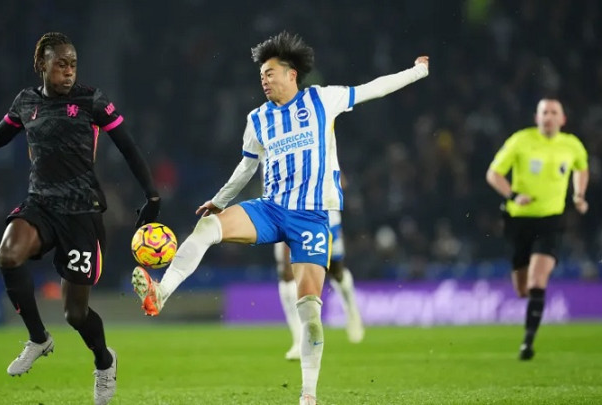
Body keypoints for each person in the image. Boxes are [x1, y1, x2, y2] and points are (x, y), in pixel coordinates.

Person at [131, 31, 427, 404]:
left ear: (291, 74)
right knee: (207, 227)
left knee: (311, 313)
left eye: (270, 73)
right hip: (271, 209)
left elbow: (374, 89)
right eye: (261, 75)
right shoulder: (258, 118)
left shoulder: (322, 99)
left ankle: (308, 395)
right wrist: (219, 201)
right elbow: (246, 168)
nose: (264, 80)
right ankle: (161, 292)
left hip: (311, 218)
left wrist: (416, 72)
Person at [0, 32, 160, 405]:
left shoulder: (92, 100)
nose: (69, 72)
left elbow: (127, 145)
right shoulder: (26, 102)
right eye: (61, 64)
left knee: (75, 314)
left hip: (82, 211)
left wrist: (152, 195)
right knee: (8, 254)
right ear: (41, 64)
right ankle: (38, 338)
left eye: (73, 64)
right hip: (41, 203)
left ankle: (105, 361)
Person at [486, 98, 588, 361]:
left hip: (551, 220)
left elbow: (581, 168)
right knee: (523, 289)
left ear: (562, 119)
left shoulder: (572, 145)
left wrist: (579, 195)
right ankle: (532, 305)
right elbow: (494, 174)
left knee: (536, 281)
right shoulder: (521, 140)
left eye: (554, 112)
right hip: (519, 220)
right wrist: (513, 195)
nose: (549, 117)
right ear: (537, 117)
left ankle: (527, 343)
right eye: (544, 112)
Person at [276, 196, 364, 362]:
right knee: (287, 273)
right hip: (287, 210)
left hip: (323, 211)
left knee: (336, 271)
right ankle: (298, 340)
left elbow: (342, 183)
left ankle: (351, 310)